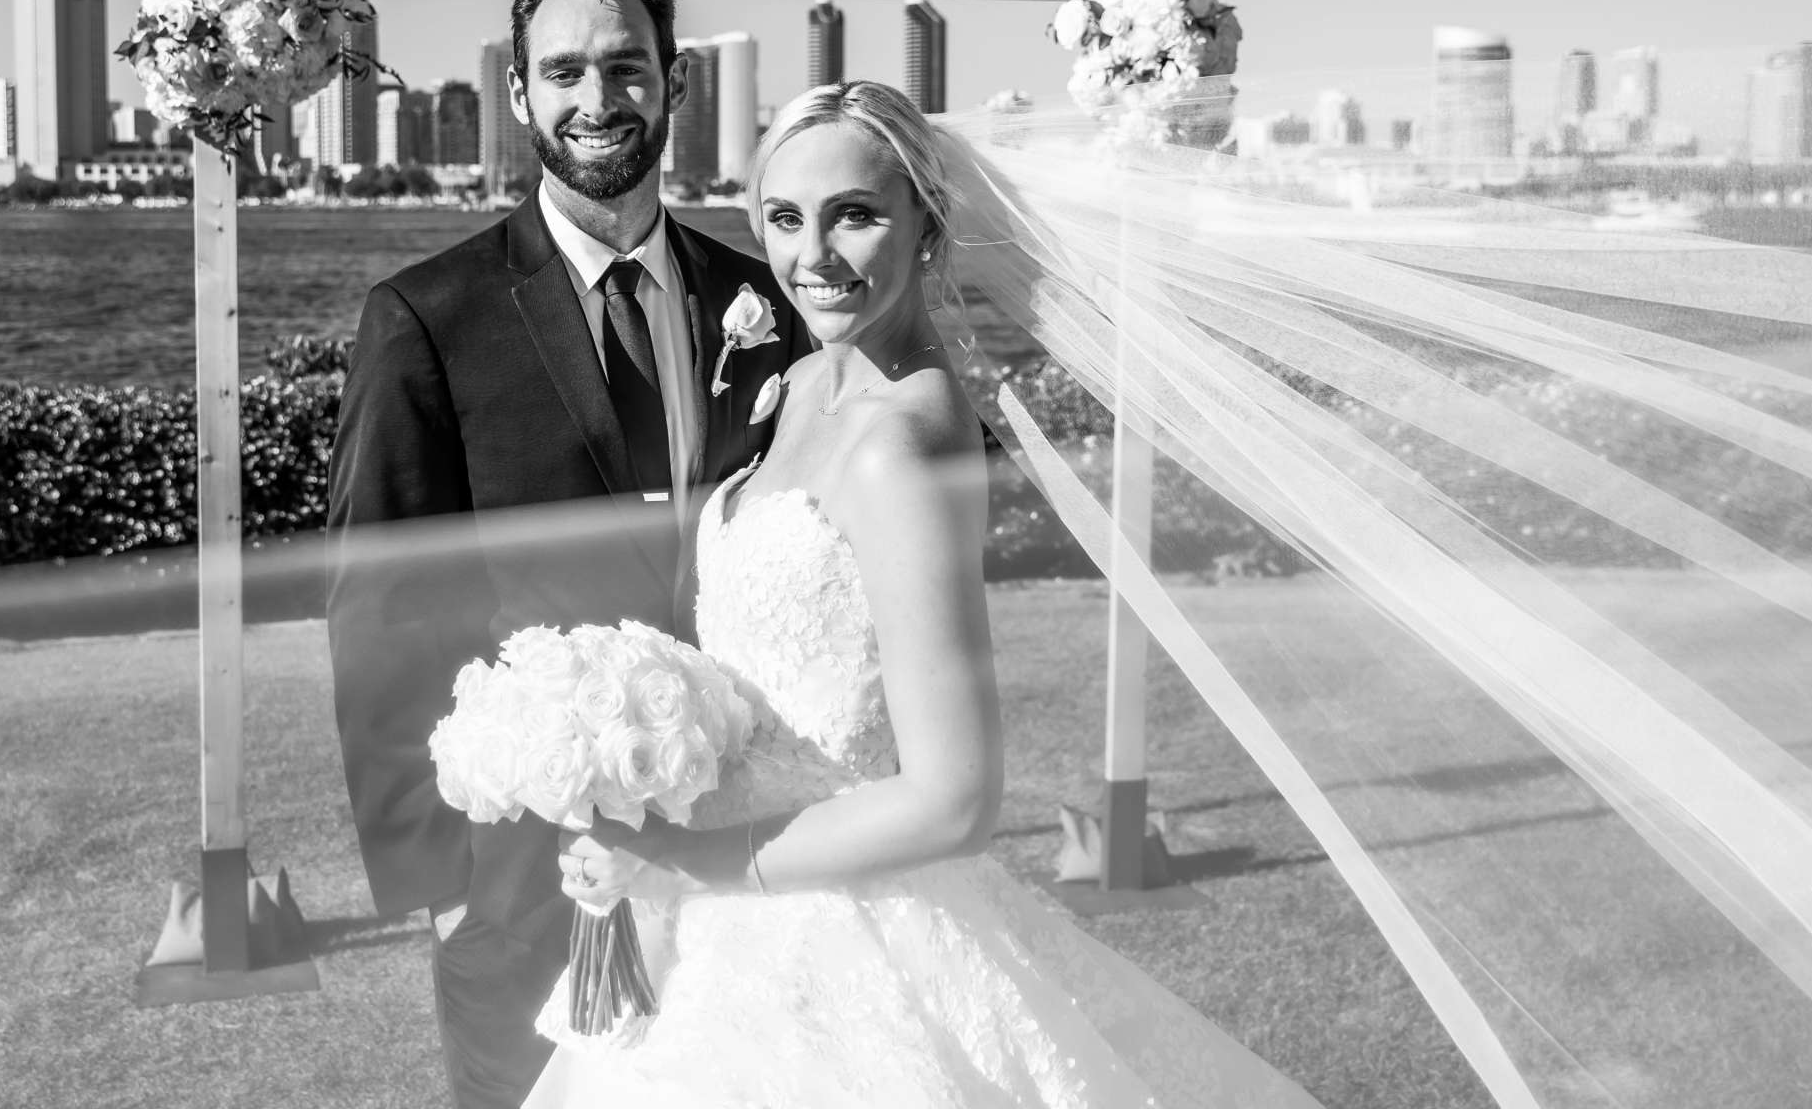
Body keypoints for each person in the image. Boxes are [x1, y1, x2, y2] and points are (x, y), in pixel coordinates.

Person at [534, 81, 1325, 1107]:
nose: (812, 257)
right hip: (720, 912)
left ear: (927, 219)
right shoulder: (812, 382)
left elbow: (954, 798)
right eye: (785, 218)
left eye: (854, 215)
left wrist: (690, 859)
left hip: (827, 932)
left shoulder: (901, 445)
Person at [325, 0, 812, 1109]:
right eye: (566, 72)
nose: (601, 98)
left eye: (628, 67)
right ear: (518, 93)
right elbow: (382, 614)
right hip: (521, 885)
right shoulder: (425, 321)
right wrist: (444, 887)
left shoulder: (762, 302)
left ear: (673, 83)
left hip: (737, 857)